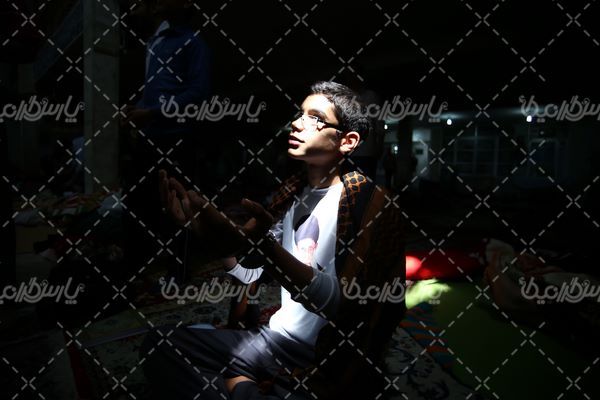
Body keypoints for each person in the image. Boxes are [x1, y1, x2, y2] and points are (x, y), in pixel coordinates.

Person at [140, 82, 406, 399]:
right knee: (158, 345)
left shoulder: (370, 204)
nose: (297, 123)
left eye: (315, 118)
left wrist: (265, 247)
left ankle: (243, 386)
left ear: (347, 141)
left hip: (326, 358)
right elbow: (249, 274)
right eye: (300, 114)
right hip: (275, 340)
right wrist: (211, 239)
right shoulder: (291, 193)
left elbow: (344, 306)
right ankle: (250, 387)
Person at [121, 0, 210, 278]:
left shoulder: (192, 43)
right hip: (150, 138)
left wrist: (152, 113)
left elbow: (197, 93)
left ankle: (178, 273)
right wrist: (139, 108)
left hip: (176, 138)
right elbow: (157, 91)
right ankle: (140, 271)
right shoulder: (154, 42)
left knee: (178, 205)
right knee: (141, 204)